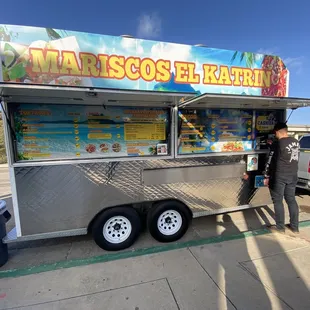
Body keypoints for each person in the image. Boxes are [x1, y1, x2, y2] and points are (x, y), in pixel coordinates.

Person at [263, 122, 300, 234]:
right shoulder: (296, 142)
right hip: (293, 175)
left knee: (278, 201)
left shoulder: (277, 144)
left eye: (275, 133)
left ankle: (280, 228)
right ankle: (294, 227)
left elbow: (270, 161)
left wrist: (266, 175)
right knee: (291, 200)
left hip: (280, 176)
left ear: (278, 132)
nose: (275, 135)